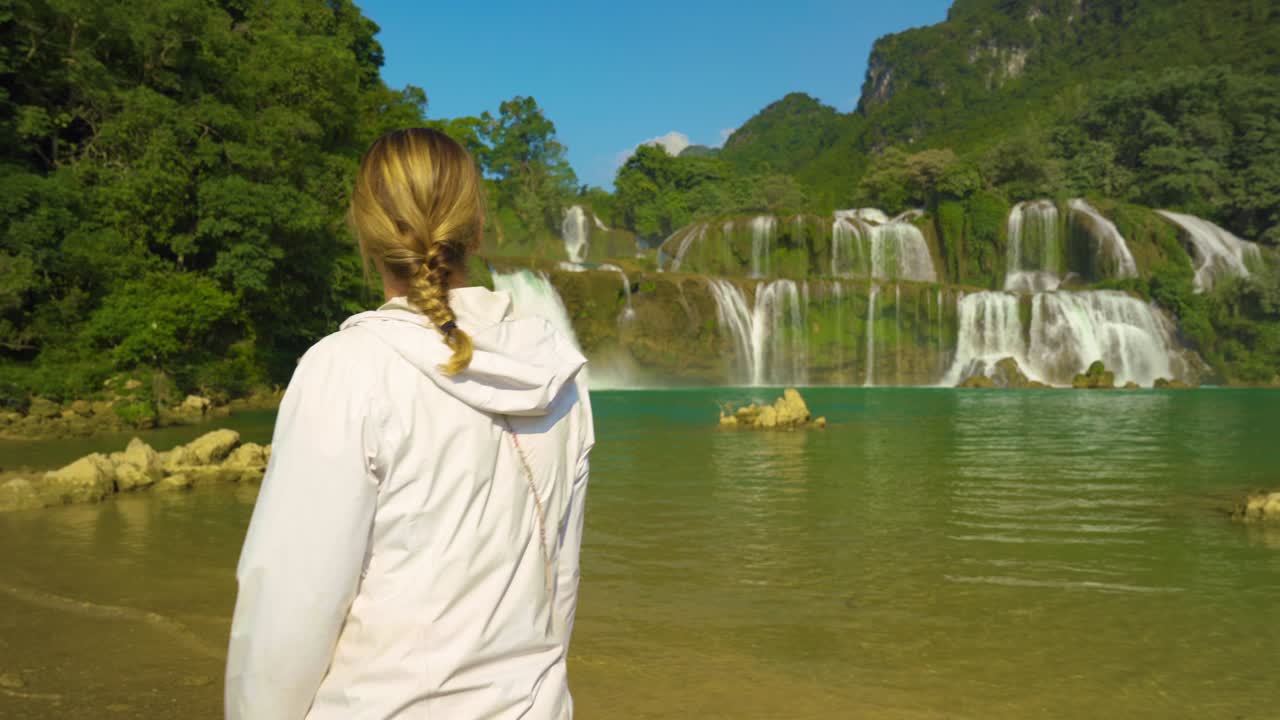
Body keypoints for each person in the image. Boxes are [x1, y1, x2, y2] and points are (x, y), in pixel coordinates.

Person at [225, 128, 594, 720]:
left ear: (365, 233)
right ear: (476, 229)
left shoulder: (346, 369)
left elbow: (289, 608)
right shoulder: (559, 373)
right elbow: (562, 581)